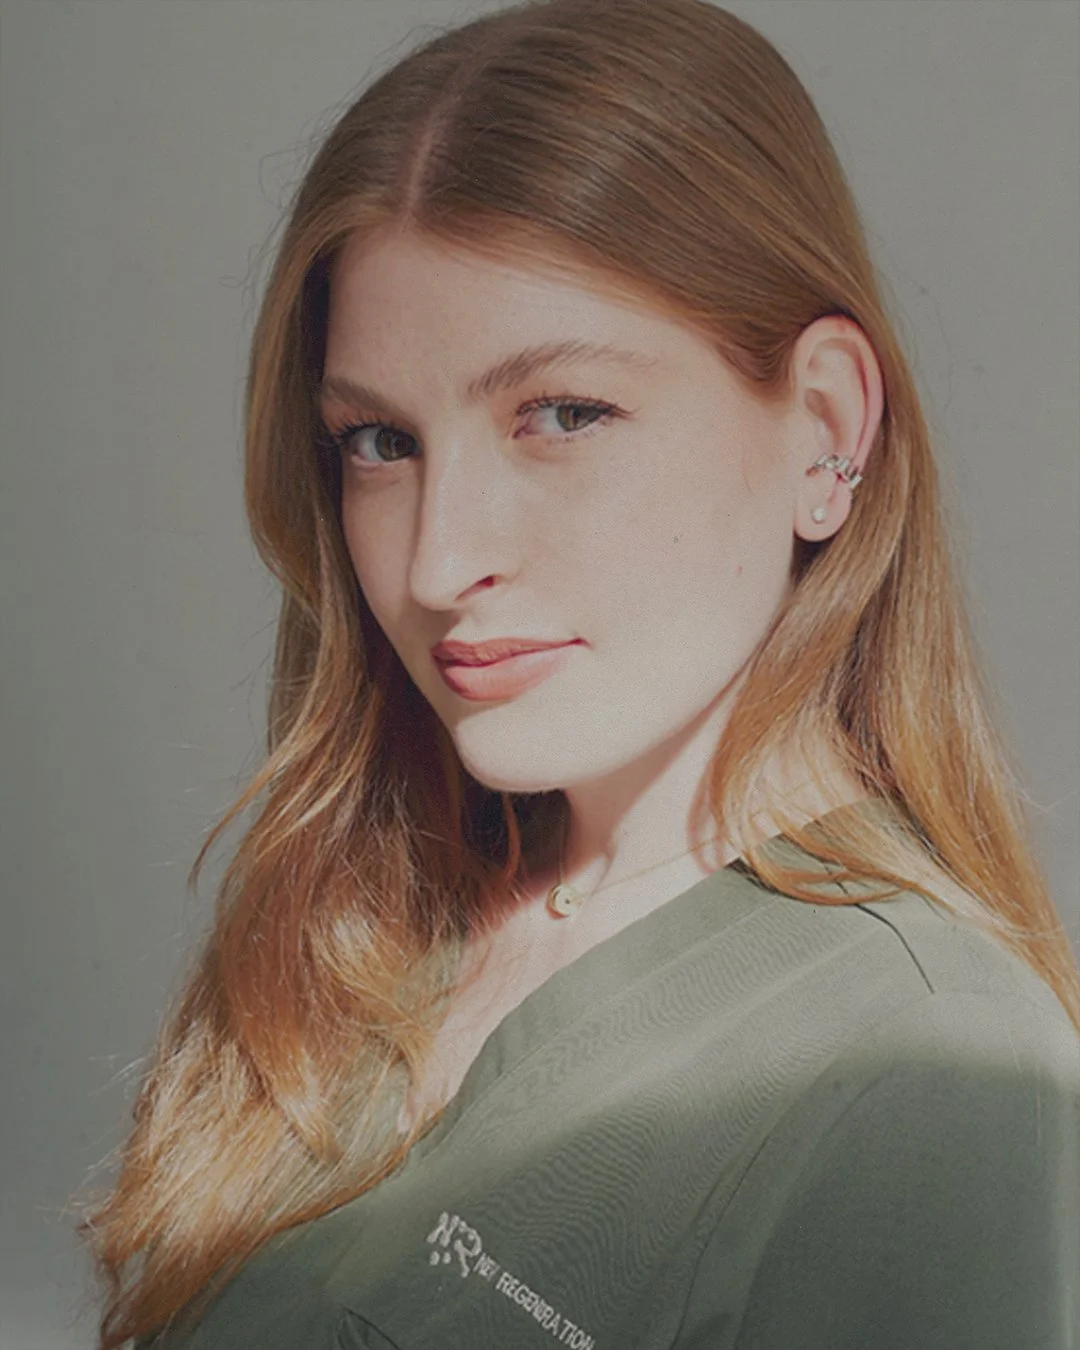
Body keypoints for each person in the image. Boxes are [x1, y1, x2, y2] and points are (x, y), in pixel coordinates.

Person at [79, 0, 1080, 1346]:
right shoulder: (361, 917)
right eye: (380, 441)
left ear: (826, 432)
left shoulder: (929, 1069)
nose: (439, 560)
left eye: (561, 414)